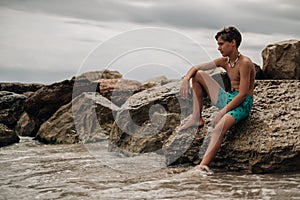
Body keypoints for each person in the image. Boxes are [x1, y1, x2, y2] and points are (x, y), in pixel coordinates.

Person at [179, 26, 255, 172]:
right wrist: (186, 78)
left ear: (232, 42)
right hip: (228, 97)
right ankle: (196, 118)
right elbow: (196, 67)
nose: (218, 48)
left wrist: (222, 113)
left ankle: (202, 167)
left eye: (221, 44)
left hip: (242, 104)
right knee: (198, 75)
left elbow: (243, 95)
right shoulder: (224, 61)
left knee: (218, 128)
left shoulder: (245, 63)